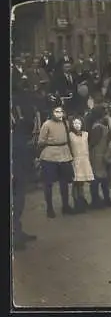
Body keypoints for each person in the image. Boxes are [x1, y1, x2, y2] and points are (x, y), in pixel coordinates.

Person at [38, 103, 77, 218]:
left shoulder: (66, 123)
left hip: (64, 154)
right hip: (50, 155)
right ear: (52, 113)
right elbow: (41, 141)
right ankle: (49, 208)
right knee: (48, 183)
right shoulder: (47, 124)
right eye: (56, 112)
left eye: (61, 111)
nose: (59, 114)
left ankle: (65, 206)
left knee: (64, 182)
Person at [12, 106, 37, 250]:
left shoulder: (17, 138)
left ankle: (18, 232)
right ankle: (15, 237)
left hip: (19, 176)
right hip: (16, 177)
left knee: (18, 206)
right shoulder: (19, 142)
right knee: (16, 206)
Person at [89, 106, 111, 209]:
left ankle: (100, 199)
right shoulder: (99, 127)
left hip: (100, 153)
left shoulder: (99, 126)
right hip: (98, 154)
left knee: (101, 178)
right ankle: (99, 199)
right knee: (99, 178)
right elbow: (94, 143)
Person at [68, 116, 94, 213]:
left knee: (81, 183)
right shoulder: (70, 135)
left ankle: (82, 201)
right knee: (76, 183)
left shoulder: (86, 134)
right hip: (76, 160)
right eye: (75, 123)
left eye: (79, 123)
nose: (77, 125)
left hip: (85, 160)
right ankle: (76, 202)